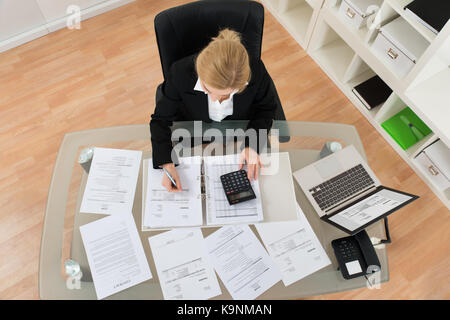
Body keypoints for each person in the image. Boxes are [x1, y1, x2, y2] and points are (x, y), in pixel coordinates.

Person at [150, 28, 277, 192]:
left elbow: (266, 109)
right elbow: (160, 120)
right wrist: (167, 163)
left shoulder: (256, 71)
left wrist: (252, 145)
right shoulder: (179, 73)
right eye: (207, 90)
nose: (215, 100)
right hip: (195, 139)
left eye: (226, 95)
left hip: (239, 137)